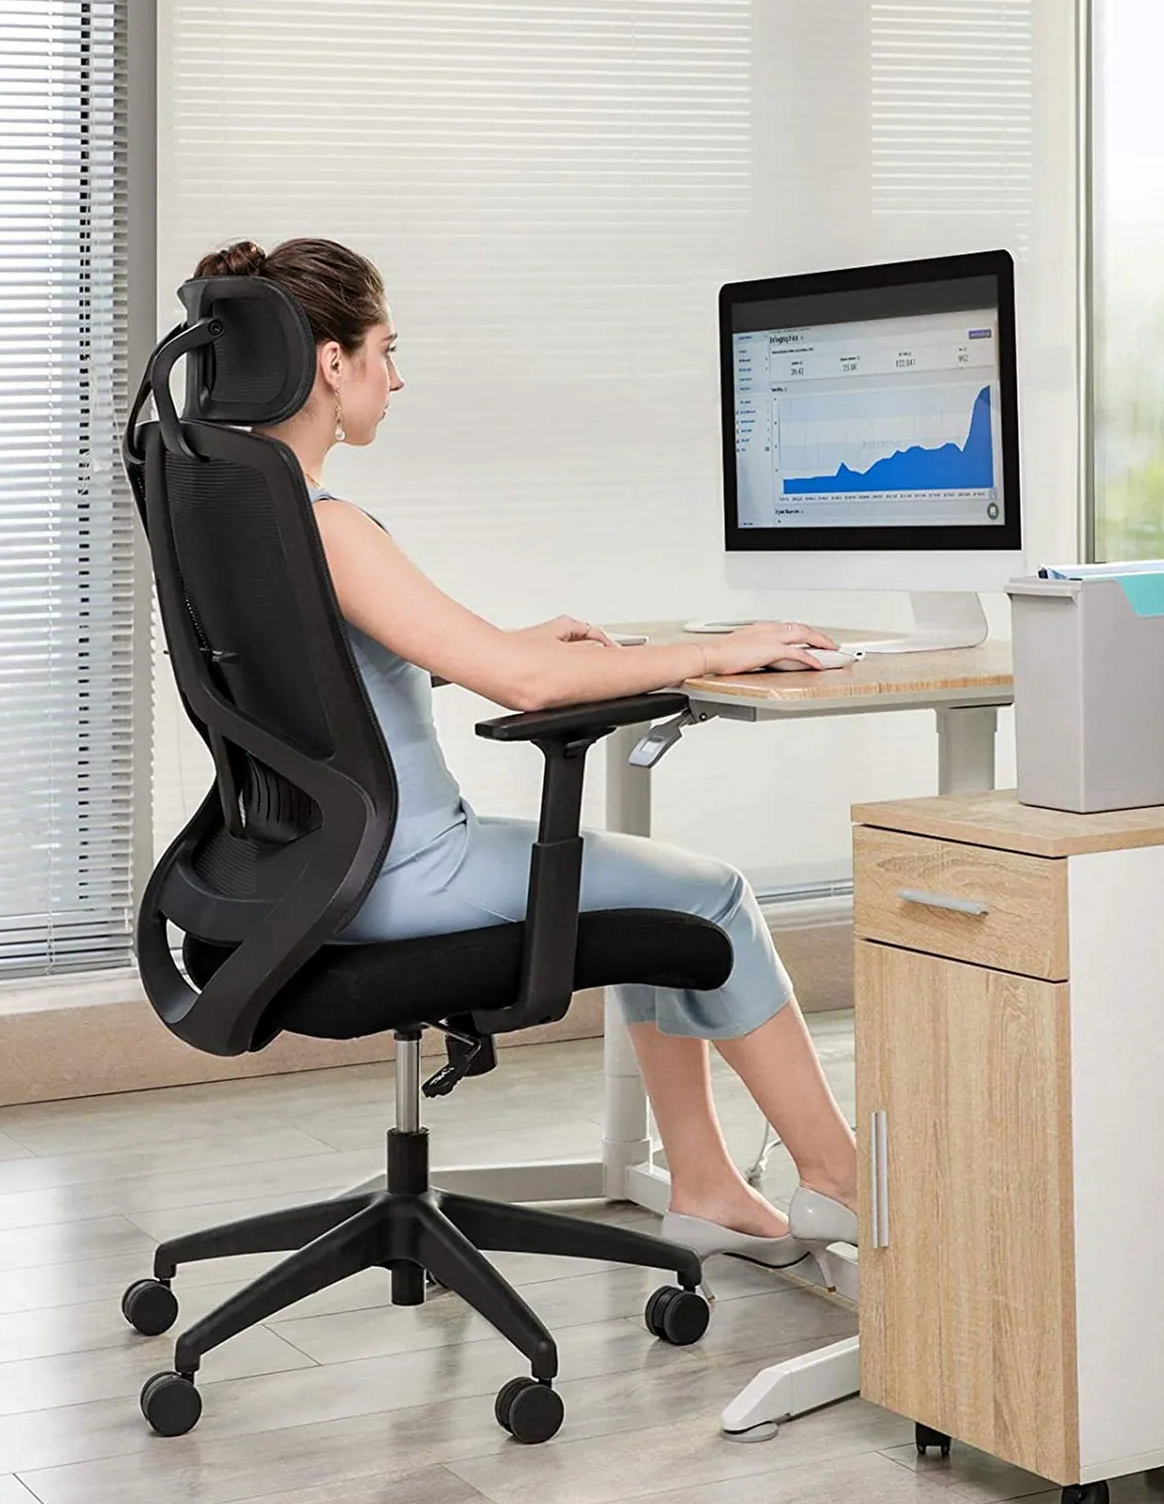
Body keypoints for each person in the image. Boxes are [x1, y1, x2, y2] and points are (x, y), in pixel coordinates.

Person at [194, 236, 860, 1262]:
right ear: (331, 363)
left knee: (642, 886)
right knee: (711, 893)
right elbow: (529, 689)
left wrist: (508, 645)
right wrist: (724, 648)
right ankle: (841, 1181)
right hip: (404, 871)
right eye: (386, 348)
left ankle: (704, 1182)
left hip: (300, 871)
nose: (396, 374)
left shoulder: (235, 514)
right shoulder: (324, 524)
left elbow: (342, 680)